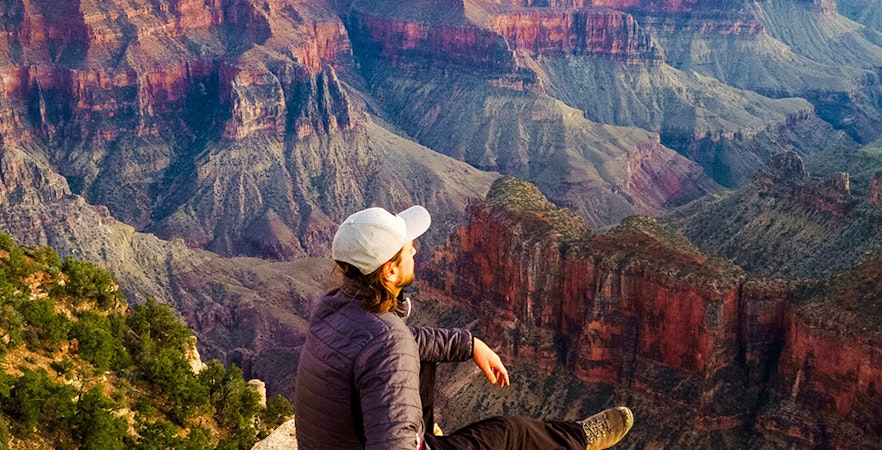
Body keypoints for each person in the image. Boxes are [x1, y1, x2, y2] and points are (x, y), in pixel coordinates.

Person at [294, 205, 634, 450]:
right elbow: (394, 349)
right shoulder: (387, 341)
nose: (415, 248)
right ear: (390, 272)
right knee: (510, 432)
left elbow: (403, 343)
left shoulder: (334, 307)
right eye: (406, 247)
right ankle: (580, 440)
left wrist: (469, 343)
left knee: (421, 357)